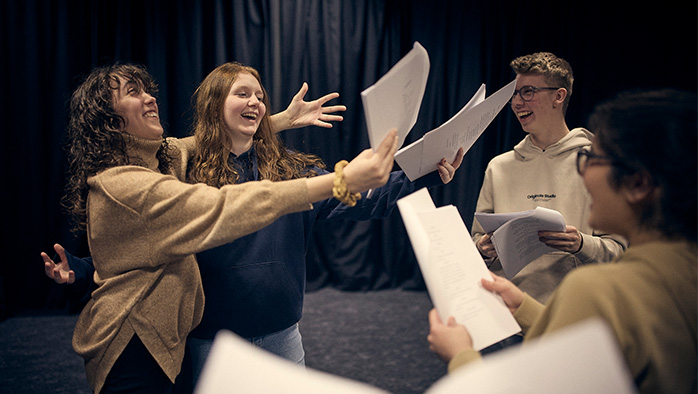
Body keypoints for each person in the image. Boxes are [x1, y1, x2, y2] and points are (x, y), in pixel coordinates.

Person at [57, 62, 398, 394]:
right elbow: (224, 205)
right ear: (110, 121)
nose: (150, 98)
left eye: (260, 97)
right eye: (134, 92)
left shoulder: (164, 158)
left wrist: (423, 168)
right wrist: (339, 179)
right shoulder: (141, 181)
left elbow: (134, 247)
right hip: (145, 345)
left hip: (251, 334)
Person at [428, 89, 697, 393]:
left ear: (638, 184)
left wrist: (461, 355)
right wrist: (525, 308)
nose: (583, 173)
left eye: (592, 158)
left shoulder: (597, 290)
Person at [472, 52, 626, 304]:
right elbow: (476, 240)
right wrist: (482, 249)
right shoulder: (498, 166)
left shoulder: (598, 163)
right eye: (515, 93)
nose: (517, 103)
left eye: (528, 92)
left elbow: (620, 252)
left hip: (573, 310)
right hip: (507, 309)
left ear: (559, 95)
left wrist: (580, 244)